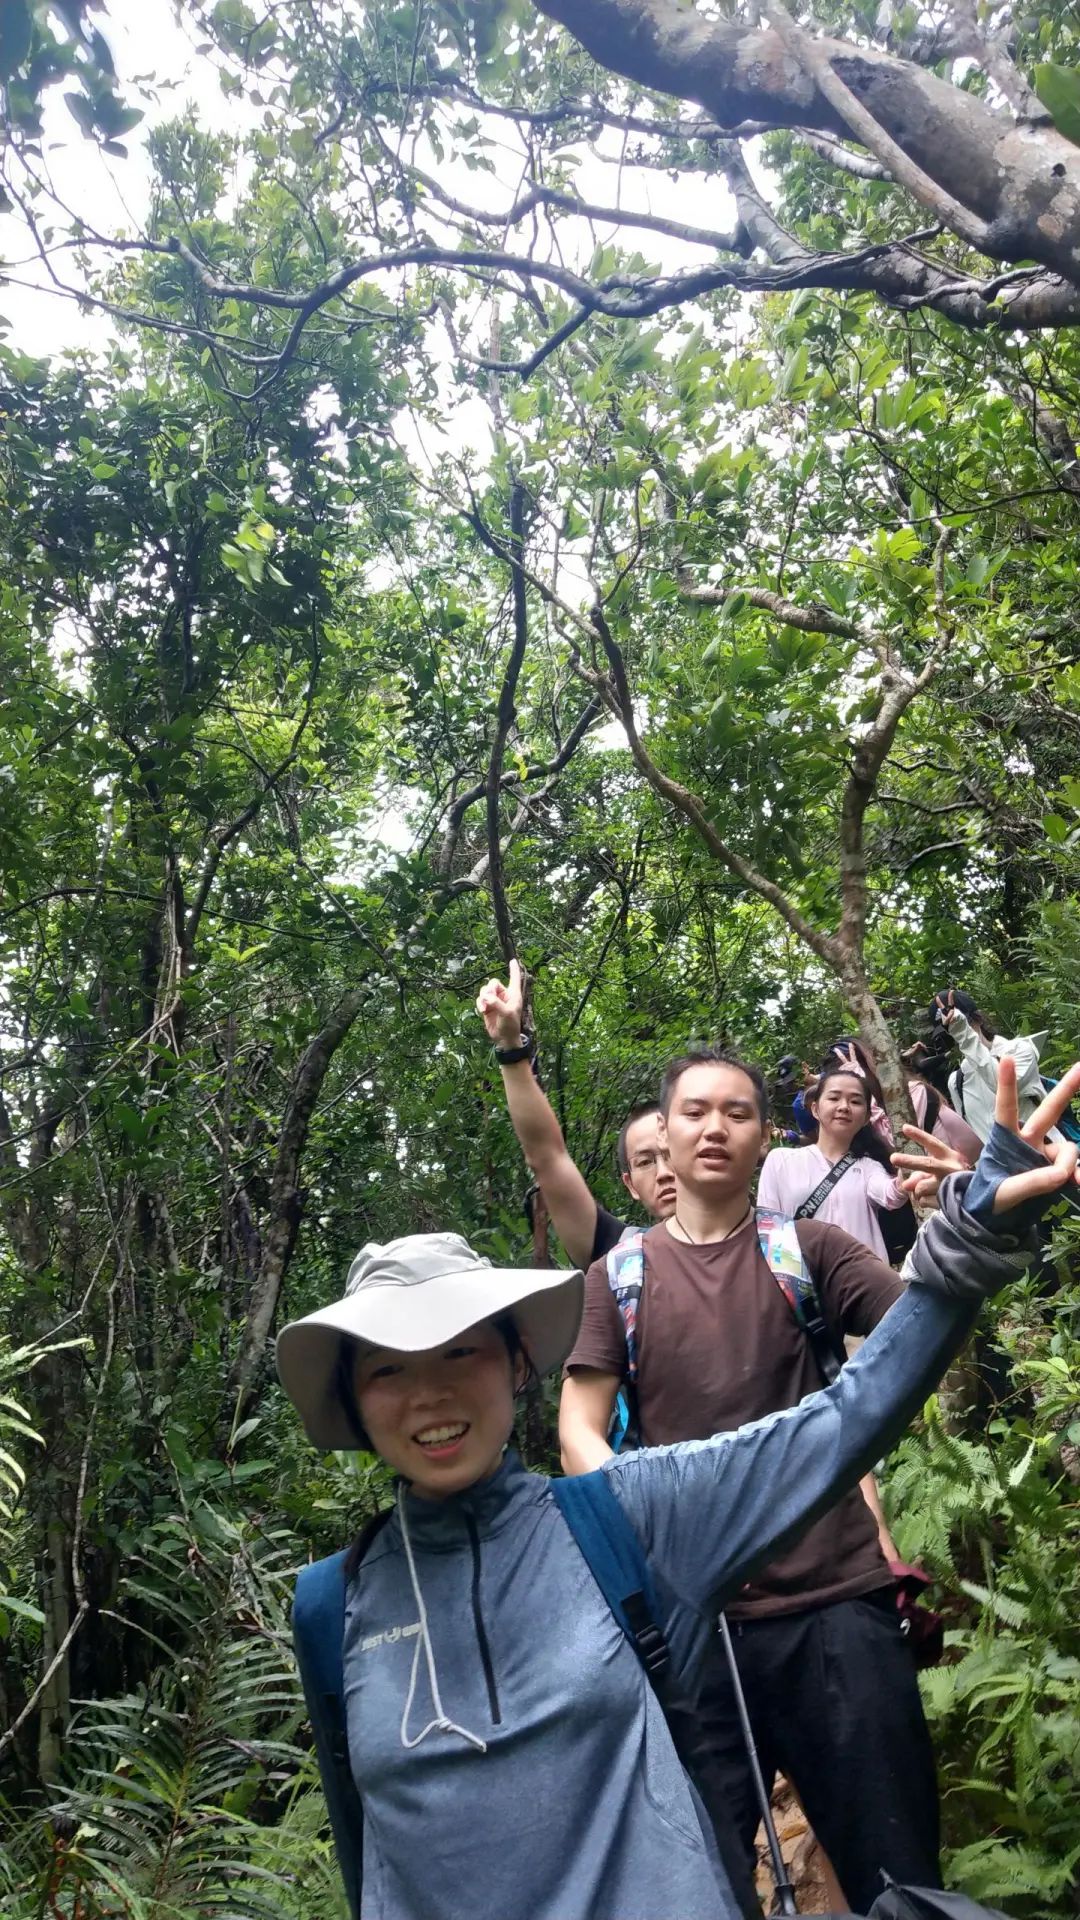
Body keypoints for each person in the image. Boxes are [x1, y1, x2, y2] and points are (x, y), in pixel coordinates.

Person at [278, 1063, 1080, 1920]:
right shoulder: (333, 1608)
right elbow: (370, 1858)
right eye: (390, 1369)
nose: (430, 1394)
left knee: (884, 1856)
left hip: (819, 1595)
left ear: (517, 1366)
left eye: (460, 1353)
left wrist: (964, 1234)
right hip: (701, 1619)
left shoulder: (634, 1513)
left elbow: (852, 1411)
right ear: (354, 1402)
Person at [561, 1049, 922, 1912]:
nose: (714, 1127)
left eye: (736, 1113)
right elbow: (577, 1427)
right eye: (694, 1112)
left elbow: (919, 1330)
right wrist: (656, 1521)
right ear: (664, 1137)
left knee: (897, 1877)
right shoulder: (618, 1278)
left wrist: (965, 1232)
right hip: (697, 1631)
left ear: (764, 1138)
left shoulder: (811, 1249)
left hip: (838, 1605)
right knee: (694, 1885)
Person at [474, 959, 674, 1266]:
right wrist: (510, 1046)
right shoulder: (620, 1253)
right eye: (645, 1162)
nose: (664, 1174)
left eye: (671, 1154)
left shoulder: (768, 1245)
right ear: (630, 1184)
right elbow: (547, 1157)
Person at [758, 1062, 911, 1264]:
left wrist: (907, 1176)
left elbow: (891, 1195)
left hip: (867, 1283)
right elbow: (768, 1230)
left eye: (855, 1102)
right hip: (807, 1285)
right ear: (815, 1109)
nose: (844, 1107)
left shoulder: (868, 1167)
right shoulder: (781, 1160)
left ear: (866, 1118)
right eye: (833, 1098)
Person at [931, 987, 1052, 1144]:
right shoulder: (956, 1081)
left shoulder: (1019, 1050)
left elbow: (1005, 1087)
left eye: (964, 1023)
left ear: (979, 1019)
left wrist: (963, 1034)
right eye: (948, 1032)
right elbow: (976, 1141)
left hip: (1052, 1159)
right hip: (1003, 1168)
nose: (955, 1034)